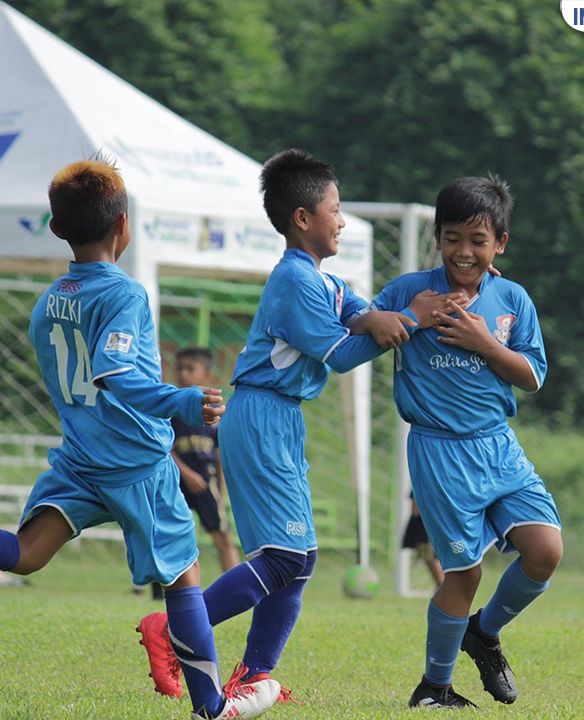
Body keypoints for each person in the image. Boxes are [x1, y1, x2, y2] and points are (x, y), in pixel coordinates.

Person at [0, 157, 279, 720]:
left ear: (56, 229)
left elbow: (76, 377)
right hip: (137, 462)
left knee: (28, 553)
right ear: (123, 226)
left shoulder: (49, 302)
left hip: (82, 458)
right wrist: (180, 403)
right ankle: (213, 705)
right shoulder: (124, 295)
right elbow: (116, 375)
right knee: (184, 574)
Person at [137, 148, 464, 704]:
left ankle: (254, 675)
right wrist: (408, 319)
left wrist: (437, 291)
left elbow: (364, 311)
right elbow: (340, 353)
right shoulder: (295, 281)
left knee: (299, 561)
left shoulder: (322, 280)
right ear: (303, 219)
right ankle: (172, 630)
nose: (341, 219)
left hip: (279, 420)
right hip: (261, 414)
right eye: (335, 209)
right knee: (286, 558)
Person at [363, 175, 564, 709]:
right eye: (453, 238)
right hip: (439, 450)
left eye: (478, 241)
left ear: (500, 243)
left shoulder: (513, 299)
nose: (464, 252)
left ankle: (485, 633)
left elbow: (533, 377)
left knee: (545, 551)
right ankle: (434, 689)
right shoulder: (411, 290)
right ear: (437, 236)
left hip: (499, 445)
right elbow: (362, 330)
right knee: (465, 571)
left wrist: (483, 342)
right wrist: (400, 318)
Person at [171, 347, 239, 573]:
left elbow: (219, 455)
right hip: (175, 482)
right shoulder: (169, 408)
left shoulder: (214, 412)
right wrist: (186, 474)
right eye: (180, 368)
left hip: (205, 481)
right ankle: (155, 589)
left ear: (207, 375)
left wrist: (220, 491)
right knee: (167, 536)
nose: (184, 373)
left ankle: (235, 587)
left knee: (223, 537)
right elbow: (163, 449)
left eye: (191, 369)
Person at [402, 496, 444, 588]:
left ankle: (443, 585)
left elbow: (415, 511)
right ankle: (441, 585)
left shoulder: (422, 482)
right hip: (434, 524)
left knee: (430, 556)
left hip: (425, 527)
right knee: (428, 556)